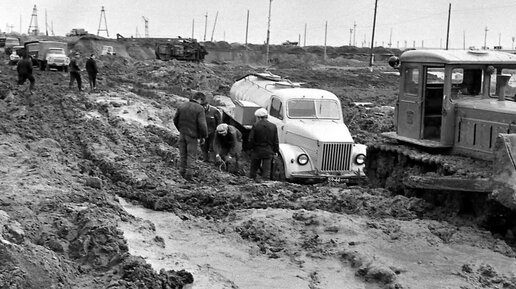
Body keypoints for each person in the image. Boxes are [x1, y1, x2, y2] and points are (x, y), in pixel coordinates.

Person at [173, 92, 208, 180]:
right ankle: (189, 175)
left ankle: (181, 172)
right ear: (200, 99)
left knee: (182, 154)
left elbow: (175, 119)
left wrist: (180, 129)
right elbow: (202, 125)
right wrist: (203, 136)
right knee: (191, 155)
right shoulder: (199, 109)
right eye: (202, 101)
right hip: (192, 136)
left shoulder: (182, 105)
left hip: (182, 133)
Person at [248, 108, 279, 181]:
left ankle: (251, 184)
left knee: (253, 170)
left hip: (257, 151)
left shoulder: (256, 125)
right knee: (266, 172)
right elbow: (276, 140)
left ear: (258, 117)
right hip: (268, 151)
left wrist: (250, 149)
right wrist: (275, 151)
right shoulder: (273, 126)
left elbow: (251, 139)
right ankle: (265, 186)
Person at [200, 97, 221, 162]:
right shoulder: (200, 111)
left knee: (212, 147)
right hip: (204, 132)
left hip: (213, 132)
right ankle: (205, 159)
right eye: (202, 106)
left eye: (205, 106)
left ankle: (212, 160)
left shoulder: (214, 111)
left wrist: (217, 132)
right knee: (203, 146)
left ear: (207, 105)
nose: (204, 108)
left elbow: (219, 122)